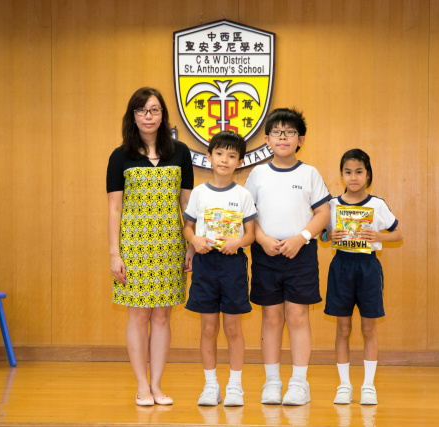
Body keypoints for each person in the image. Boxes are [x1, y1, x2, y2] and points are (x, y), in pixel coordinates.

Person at [106, 87, 195, 406]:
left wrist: (191, 245)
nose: (148, 116)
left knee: (162, 318)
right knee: (139, 317)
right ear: (133, 116)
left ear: (163, 115)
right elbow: (114, 208)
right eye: (142, 110)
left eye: (155, 110)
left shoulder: (180, 152)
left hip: (171, 246)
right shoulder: (120, 156)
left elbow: (187, 204)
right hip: (134, 248)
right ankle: (142, 386)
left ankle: (157, 386)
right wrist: (114, 254)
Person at [244, 108, 331, 406]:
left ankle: (299, 383)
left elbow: (323, 213)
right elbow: (247, 215)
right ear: (267, 139)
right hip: (265, 254)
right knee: (271, 317)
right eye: (277, 132)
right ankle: (272, 382)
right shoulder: (258, 174)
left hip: (301, 254)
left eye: (290, 132)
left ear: (300, 140)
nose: (283, 137)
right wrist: (262, 239)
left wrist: (301, 238)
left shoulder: (310, 173)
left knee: (297, 315)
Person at [321, 148, 402, 405]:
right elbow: (321, 234)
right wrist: (328, 236)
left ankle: (368, 385)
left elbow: (398, 234)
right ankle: (344, 385)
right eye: (348, 172)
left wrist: (380, 236)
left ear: (368, 175)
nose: (353, 177)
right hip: (341, 266)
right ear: (341, 175)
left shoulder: (377, 204)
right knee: (343, 328)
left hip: (368, 267)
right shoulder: (332, 204)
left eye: (359, 172)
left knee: (368, 328)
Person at [182, 130, 257, 407]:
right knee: (208, 328)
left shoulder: (243, 194)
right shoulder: (199, 193)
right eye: (219, 153)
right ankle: (210, 385)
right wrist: (195, 240)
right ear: (209, 156)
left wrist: (238, 242)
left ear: (240, 162)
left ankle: (235, 387)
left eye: (232, 155)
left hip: (233, 265)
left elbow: (250, 234)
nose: (225, 160)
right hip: (205, 264)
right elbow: (187, 228)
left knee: (233, 328)